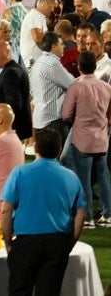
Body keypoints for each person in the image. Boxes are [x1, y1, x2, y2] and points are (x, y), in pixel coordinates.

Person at [0, 127, 86, 296]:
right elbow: (81, 213)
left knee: (19, 290)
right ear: (59, 149)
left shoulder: (19, 173)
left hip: (26, 242)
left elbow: (5, 210)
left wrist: (8, 242)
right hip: (57, 241)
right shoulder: (71, 177)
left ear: (35, 147)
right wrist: (70, 242)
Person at [60, 51, 111, 225]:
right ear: (95, 67)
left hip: (82, 139)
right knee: (103, 176)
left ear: (79, 67)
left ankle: (87, 218)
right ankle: (108, 215)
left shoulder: (76, 86)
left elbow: (66, 114)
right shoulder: (106, 87)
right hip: (101, 139)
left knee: (84, 178)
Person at [0, 39, 33, 140]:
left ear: (7, 52)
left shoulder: (11, 73)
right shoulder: (15, 70)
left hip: (9, 132)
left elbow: (13, 105)